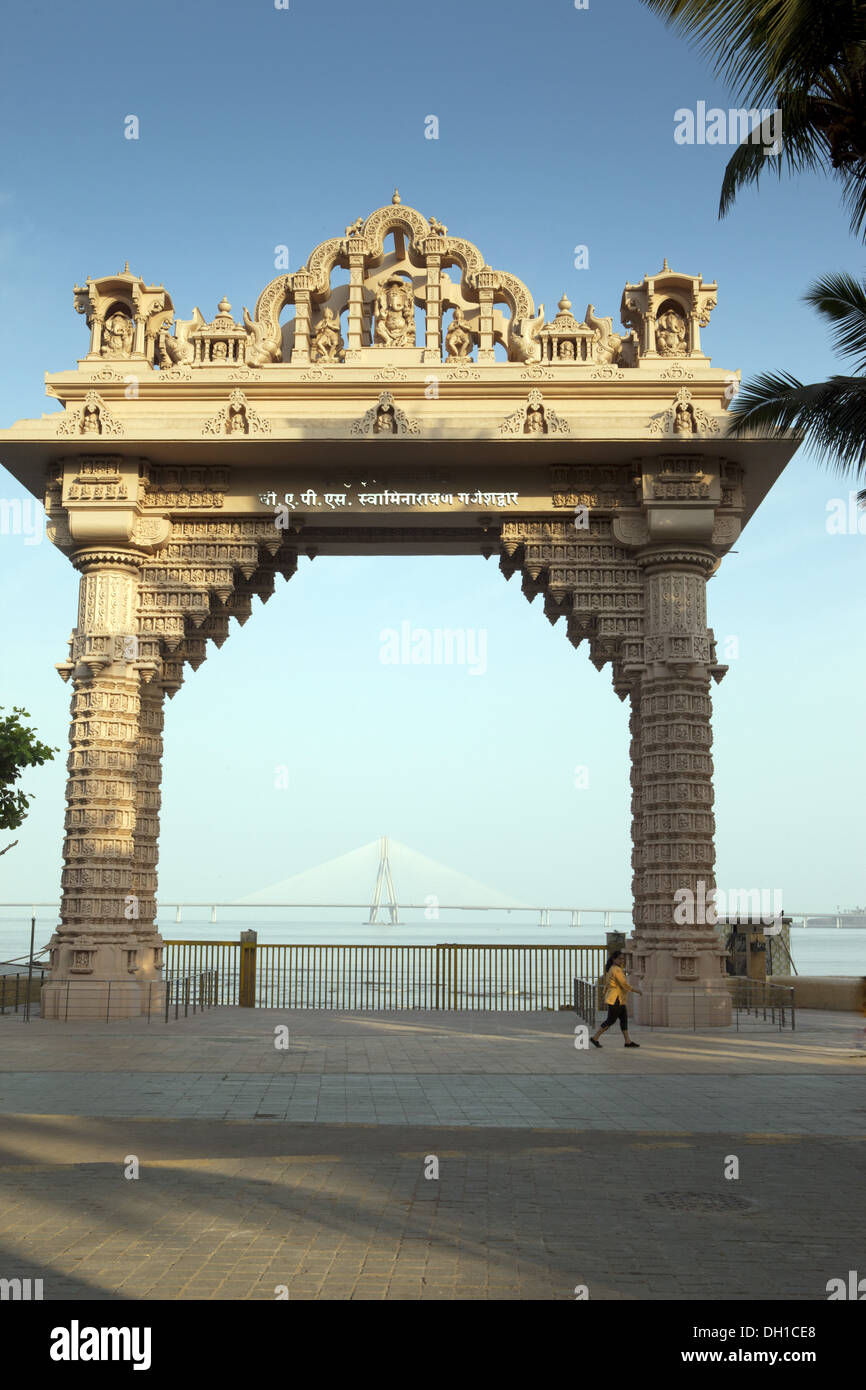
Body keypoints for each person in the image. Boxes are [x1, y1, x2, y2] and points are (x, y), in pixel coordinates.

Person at [590, 950, 642, 1048]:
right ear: (614, 959)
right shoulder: (616, 970)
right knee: (610, 1020)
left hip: (619, 999)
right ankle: (595, 1037)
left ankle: (628, 1041)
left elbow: (608, 983)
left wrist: (604, 992)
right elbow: (623, 984)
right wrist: (636, 990)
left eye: (622, 958)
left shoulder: (614, 968)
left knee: (623, 1019)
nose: (622, 960)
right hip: (615, 999)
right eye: (619, 958)